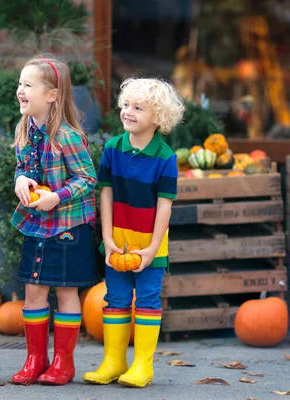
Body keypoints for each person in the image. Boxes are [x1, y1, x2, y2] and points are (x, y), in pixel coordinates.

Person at [83, 77, 185, 388]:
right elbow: (105, 194)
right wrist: (108, 239)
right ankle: (114, 361)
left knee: (148, 299)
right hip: (118, 241)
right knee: (115, 297)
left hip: (150, 245)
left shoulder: (166, 158)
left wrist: (153, 249)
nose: (128, 112)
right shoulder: (113, 149)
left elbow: (165, 207)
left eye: (138, 108)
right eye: (126, 105)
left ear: (159, 118)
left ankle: (143, 364)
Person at [11, 55, 100, 386]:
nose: (20, 90)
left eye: (28, 85)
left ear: (52, 95)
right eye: (19, 84)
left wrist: (56, 197)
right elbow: (22, 166)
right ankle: (35, 359)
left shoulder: (66, 136)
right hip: (37, 221)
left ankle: (64, 362)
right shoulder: (26, 129)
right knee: (33, 289)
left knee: (65, 290)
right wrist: (21, 180)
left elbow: (87, 178)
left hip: (67, 225)